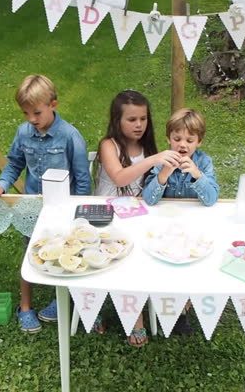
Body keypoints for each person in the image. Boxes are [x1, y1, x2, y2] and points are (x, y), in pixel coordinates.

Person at [0, 74, 91, 333]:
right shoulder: (23, 133)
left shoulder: (69, 136)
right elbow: (14, 164)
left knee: (64, 253)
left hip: (61, 209)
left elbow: (82, 179)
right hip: (31, 207)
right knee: (28, 253)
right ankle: (25, 306)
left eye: (37, 113)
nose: (32, 119)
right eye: (25, 113)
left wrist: (76, 214)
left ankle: (60, 298)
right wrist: (2, 184)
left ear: (53, 104)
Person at [95, 90, 181, 346]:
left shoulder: (147, 146)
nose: (139, 125)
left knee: (165, 241)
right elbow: (120, 178)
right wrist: (154, 159)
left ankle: (174, 303)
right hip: (107, 216)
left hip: (140, 214)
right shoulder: (108, 144)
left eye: (143, 119)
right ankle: (130, 317)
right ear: (117, 120)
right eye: (132, 119)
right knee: (125, 251)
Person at [142, 108, 220, 207]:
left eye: (189, 140)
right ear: (169, 139)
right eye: (177, 139)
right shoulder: (162, 161)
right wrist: (163, 175)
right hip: (167, 215)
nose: (182, 144)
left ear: (199, 142)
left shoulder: (204, 162)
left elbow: (211, 199)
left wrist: (197, 175)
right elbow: (148, 199)